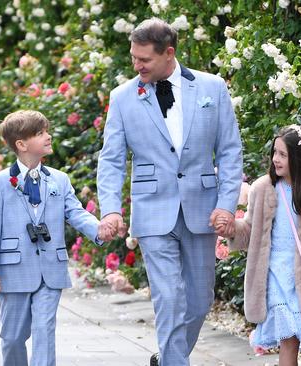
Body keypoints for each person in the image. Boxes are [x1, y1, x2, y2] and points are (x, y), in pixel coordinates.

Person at [96, 18, 243, 366]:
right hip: (152, 210)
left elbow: (230, 152)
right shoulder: (122, 97)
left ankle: (168, 358)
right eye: (133, 57)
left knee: (199, 300)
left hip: (202, 208)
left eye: (144, 59)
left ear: (169, 53)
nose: (136, 65)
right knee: (169, 298)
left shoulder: (211, 87)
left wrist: (226, 205)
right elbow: (112, 160)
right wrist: (111, 209)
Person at [0, 110, 113, 366]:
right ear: (21, 144)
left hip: (51, 267)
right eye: (40, 133)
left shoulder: (59, 180)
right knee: (12, 337)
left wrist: (98, 229)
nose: (48, 136)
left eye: (46, 131)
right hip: (13, 270)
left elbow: (75, 212)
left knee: (45, 329)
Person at [215, 125, 301, 366]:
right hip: (275, 275)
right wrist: (232, 229)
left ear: (300, 160)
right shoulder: (263, 189)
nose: (275, 159)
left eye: (282, 154)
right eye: (274, 153)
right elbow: (249, 229)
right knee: (288, 339)